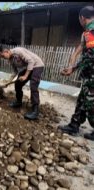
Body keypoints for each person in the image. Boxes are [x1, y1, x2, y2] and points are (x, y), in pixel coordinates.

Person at [58, 6, 94, 141]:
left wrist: (74, 68)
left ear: (82, 18)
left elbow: (90, 58)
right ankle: (74, 124)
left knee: (90, 103)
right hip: (90, 76)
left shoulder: (90, 32)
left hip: (92, 76)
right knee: (82, 100)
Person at [0, 45, 44, 120]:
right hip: (30, 67)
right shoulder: (11, 59)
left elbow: (31, 61)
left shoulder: (18, 51)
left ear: (6, 51)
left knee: (33, 86)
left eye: (2, 56)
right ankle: (18, 102)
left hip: (37, 65)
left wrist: (25, 76)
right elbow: (15, 72)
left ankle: (35, 111)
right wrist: (8, 82)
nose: (2, 58)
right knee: (18, 83)